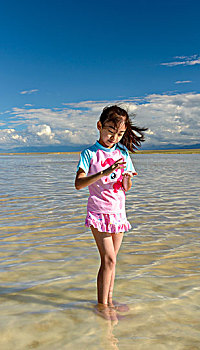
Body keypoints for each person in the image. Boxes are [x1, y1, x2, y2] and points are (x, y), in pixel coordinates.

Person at [75, 105, 146, 319]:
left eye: (120, 134)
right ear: (99, 126)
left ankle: (110, 300)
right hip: (99, 212)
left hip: (118, 213)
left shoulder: (122, 152)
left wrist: (127, 178)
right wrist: (105, 172)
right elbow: (78, 184)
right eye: (110, 131)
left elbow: (126, 187)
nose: (114, 138)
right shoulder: (89, 153)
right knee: (108, 260)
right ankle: (101, 306)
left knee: (113, 260)